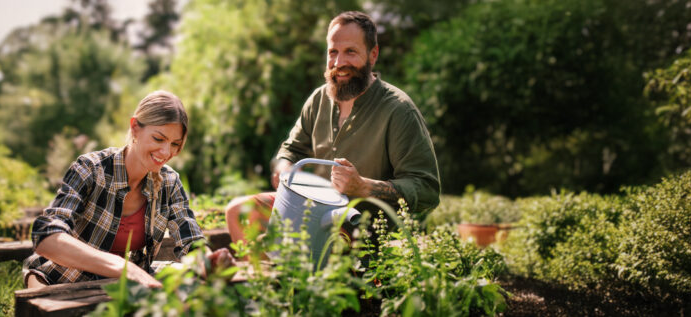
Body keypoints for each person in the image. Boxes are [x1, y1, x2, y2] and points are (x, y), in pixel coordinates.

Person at [225, 11, 441, 245]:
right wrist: (284, 168)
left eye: (350, 51)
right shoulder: (319, 99)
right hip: (314, 211)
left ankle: (287, 271)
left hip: (367, 229)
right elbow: (290, 150)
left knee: (323, 245)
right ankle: (264, 280)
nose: (339, 63)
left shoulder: (399, 110)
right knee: (239, 212)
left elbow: (427, 190)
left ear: (373, 55)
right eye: (333, 52)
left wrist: (364, 186)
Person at [24, 91, 233, 288]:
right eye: (159, 139)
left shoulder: (169, 182)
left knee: (192, 281)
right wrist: (121, 267)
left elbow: (191, 242)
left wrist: (209, 261)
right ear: (135, 128)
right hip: (63, 281)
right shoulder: (91, 169)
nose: (166, 152)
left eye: (175, 143)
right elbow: (46, 236)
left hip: (124, 284)